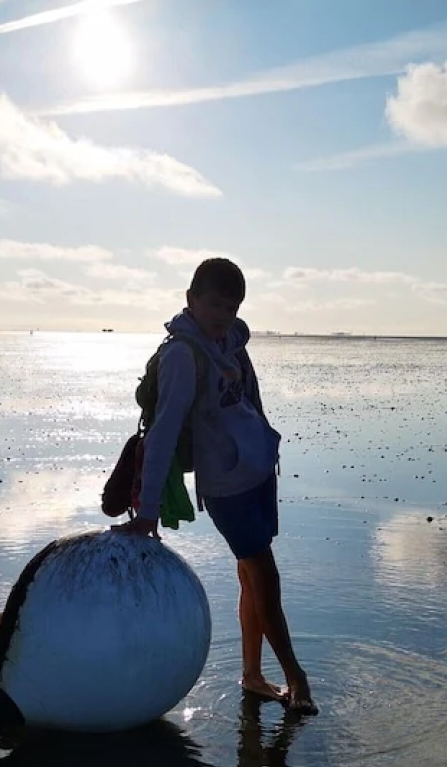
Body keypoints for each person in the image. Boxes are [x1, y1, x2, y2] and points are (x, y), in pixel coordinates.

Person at [113, 258, 316, 714]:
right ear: (191, 299)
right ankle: (295, 676)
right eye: (214, 305)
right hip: (226, 485)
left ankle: (252, 675)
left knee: (251, 576)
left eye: (232, 307)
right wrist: (147, 511)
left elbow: (249, 395)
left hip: (258, 470)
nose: (222, 316)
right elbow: (163, 432)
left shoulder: (231, 341)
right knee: (265, 578)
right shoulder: (182, 355)